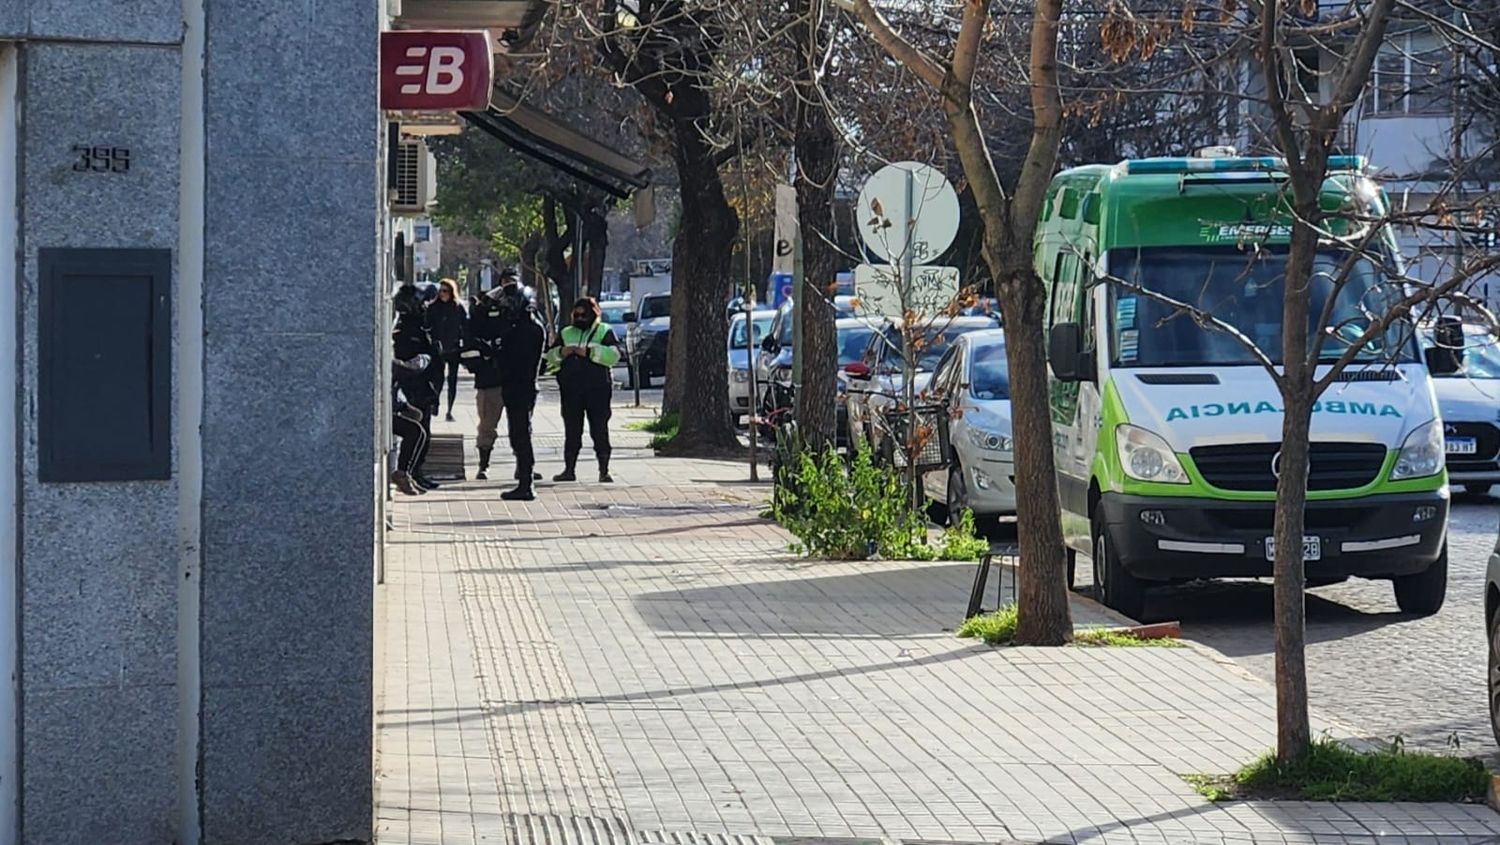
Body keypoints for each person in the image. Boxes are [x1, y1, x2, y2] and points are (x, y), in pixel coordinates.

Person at [546, 297, 620, 483]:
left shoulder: (604, 331)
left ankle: (604, 470)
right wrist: (562, 352)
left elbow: (615, 355)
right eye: (576, 314)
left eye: (584, 315)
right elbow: (549, 357)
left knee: (599, 429)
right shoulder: (566, 332)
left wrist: (589, 352)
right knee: (572, 430)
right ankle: (569, 470)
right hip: (571, 389)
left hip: (598, 389)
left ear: (593, 314)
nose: (580, 318)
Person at [491, 275, 547, 500]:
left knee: (520, 434)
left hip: (520, 386)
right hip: (520, 385)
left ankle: (526, 482)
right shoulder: (528, 326)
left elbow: (509, 356)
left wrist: (496, 349)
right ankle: (525, 479)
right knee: (520, 433)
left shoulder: (525, 330)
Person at [392, 285, 442, 492]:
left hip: (423, 387)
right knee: (417, 431)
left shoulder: (421, 325)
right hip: (411, 389)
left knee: (424, 432)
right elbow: (405, 365)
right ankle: (409, 472)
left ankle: (415, 472)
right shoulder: (403, 329)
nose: (424, 306)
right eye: (420, 303)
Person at [426, 278, 468, 421]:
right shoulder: (433, 308)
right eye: (441, 291)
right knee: (437, 378)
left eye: (445, 291)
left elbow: (465, 325)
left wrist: (463, 342)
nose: (443, 294)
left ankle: (449, 410)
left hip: (454, 348)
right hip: (438, 349)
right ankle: (435, 403)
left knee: (452, 380)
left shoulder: (458, 307)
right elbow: (428, 326)